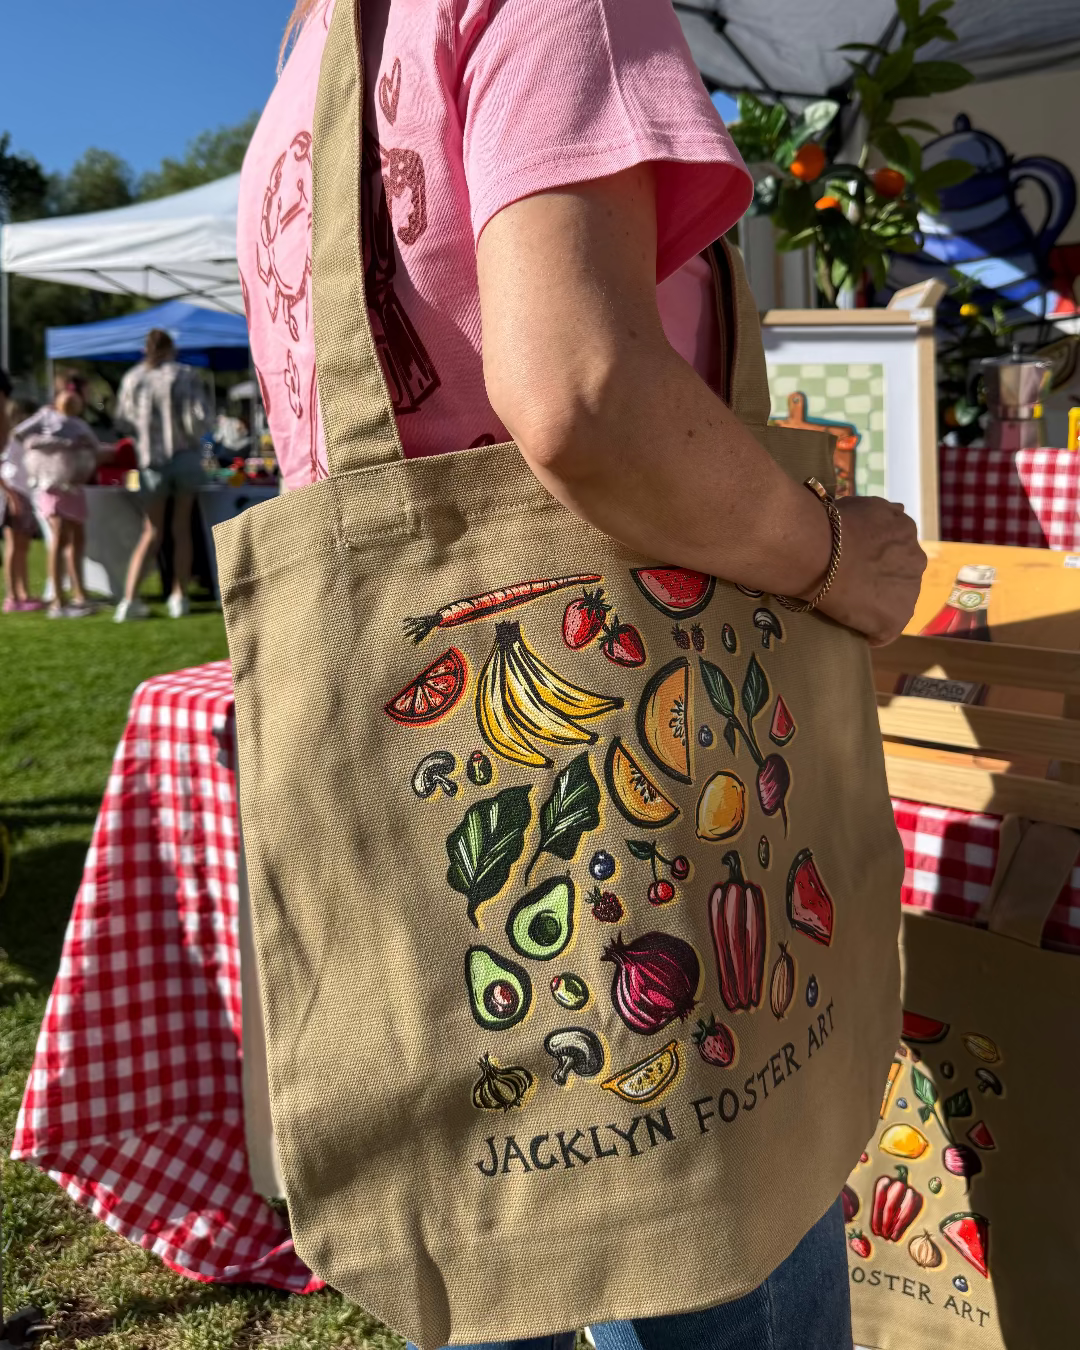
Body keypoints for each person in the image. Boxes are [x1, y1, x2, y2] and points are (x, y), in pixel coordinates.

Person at [239, 3, 927, 1347]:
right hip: (656, 777)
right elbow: (588, 395)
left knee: (505, 1233)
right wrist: (830, 557)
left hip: (421, 796)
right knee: (724, 1210)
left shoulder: (315, 45)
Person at [113, 329, 210, 621]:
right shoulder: (186, 374)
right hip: (185, 457)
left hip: (151, 462)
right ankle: (179, 597)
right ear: (171, 348)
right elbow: (200, 418)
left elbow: (123, 420)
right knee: (182, 528)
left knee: (151, 531)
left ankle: (129, 600)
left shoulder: (133, 378)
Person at [13, 388, 99, 618]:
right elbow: (20, 435)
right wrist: (57, 443)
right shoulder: (45, 418)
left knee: (77, 539)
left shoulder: (79, 424)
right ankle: (58, 600)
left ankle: (79, 594)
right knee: (59, 539)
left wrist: (82, 446)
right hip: (51, 484)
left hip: (73, 485)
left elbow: (94, 445)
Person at [1, 388, 45, 614]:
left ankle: (23, 594)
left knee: (21, 547)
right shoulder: (12, 438)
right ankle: (13, 596)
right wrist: (12, 497)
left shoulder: (20, 438)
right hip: (15, 495)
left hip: (22, 494)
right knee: (14, 547)